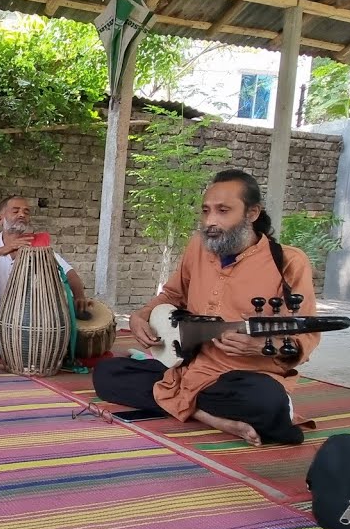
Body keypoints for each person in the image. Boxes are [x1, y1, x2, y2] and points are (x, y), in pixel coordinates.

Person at [92, 170, 320, 446]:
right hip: (191, 368)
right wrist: (141, 315)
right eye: (206, 211)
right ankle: (208, 416)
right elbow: (172, 295)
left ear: (252, 213)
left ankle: (187, 404)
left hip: (245, 378)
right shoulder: (197, 247)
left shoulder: (289, 262)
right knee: (107, 374)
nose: (210, 221)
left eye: (223, 211)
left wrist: (259, 346)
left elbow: (305, 335)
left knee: (267, 403)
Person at [0, 195, 92, 355]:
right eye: (16, 211)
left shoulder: (37, 246)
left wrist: (79, 296)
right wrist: (4, 249)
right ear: (0, 219)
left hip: (23, 325)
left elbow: (68, 272)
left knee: (56, 341)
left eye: (26, 212)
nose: (22, 215)